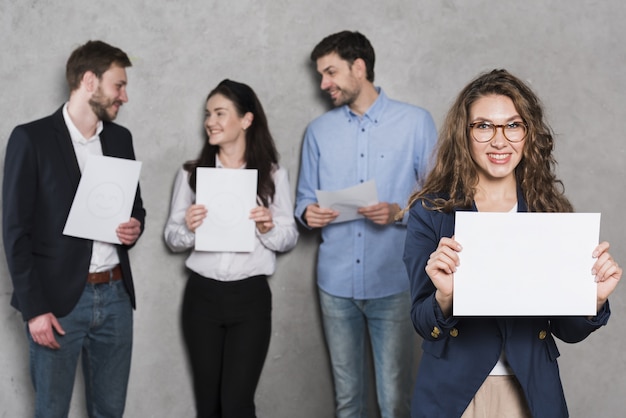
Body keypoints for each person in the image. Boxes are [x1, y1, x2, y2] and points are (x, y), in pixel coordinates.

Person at [402, 69, 622, 418]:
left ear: (528, 133)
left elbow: (567, 330)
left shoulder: (549, 212)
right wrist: (445, 297)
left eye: (513, 125)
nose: (499, 141)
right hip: (454, 391)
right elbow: (421, 321)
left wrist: (592, 299)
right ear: (465, 134)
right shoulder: (430, 213)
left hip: (531, 390)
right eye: (484, 126)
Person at [295, 31, 437, 418]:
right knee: (347, 402)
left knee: (394, 402)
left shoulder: (416, 123)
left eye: (330, 72)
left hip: (392, 283)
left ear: (359, 68)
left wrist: (399, 212)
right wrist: (308, 213)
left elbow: (440, 203)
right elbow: (305, 199)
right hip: (334, 285)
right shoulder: (319, 132)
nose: (323, 84)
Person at [2, 40, 145, 417]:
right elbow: (15, 231)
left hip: (115, 298)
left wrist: (134, 227)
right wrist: (35, 310)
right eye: (119, 85)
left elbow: (136, 209)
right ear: (89, 81)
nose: (124, 96)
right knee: (52, 412)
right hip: (57, 304)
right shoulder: (30, 139)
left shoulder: (120, 139)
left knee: (110, 412)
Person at [164, 79, 298, 418]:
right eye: (208, 114)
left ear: (246, 119)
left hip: (250, 299)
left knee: (237, 405)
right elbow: (171, 236)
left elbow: (289, 236)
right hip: (202, 298)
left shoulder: (272, 175)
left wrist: (268, 227)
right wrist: (190, 229)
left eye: (220, 113)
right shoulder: (192, 174)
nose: (210, 121)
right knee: (208, 406)